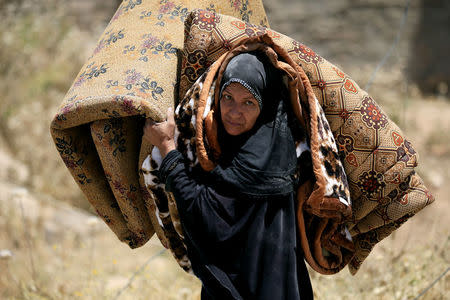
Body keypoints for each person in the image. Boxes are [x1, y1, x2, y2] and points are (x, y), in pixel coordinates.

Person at [143, 52, 313, 299]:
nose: (234, 112)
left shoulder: (262, 156)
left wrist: (168, 148)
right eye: (228, 98)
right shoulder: (256, 139)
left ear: (264, 104)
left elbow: (205, 216)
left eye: (248, 103)